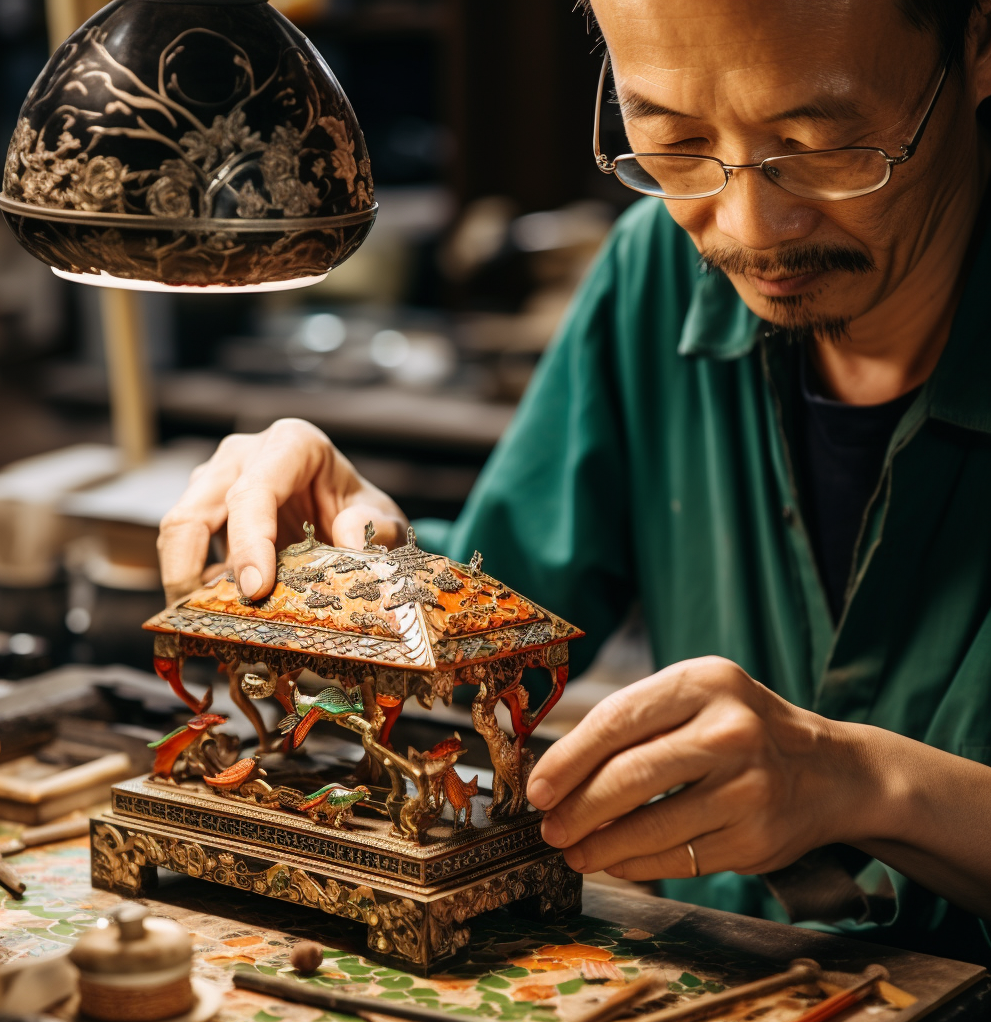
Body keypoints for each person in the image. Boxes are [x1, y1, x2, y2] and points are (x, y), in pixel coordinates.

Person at [159, 0, 991, 962]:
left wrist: (862, 782)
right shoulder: (657, 277)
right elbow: (502, 624)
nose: (751, 227)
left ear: (976, 43)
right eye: (672, 139)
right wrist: (355, 568)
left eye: (819, 143)